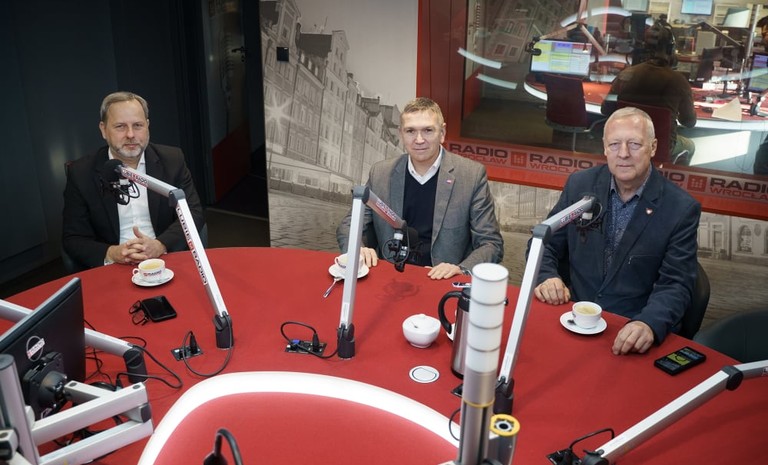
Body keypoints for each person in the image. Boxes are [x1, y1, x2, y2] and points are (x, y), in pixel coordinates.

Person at [532, 107, 701, 355]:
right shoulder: (580, 185)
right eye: (614, 144)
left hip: (629, 329)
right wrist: (547, 276)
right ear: (604, 148)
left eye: (634, 144)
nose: (623, 153)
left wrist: (648, 323)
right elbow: (543, 242)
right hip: (574, 317)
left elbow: (677, 283)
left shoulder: (680, 208)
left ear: (653, 147)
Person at [336, 97, 503, 280]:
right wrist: (358, 249)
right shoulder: (380, 173)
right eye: (410, 131)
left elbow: (491, 243)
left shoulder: (471, 176)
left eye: (428, 130)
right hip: (389, 278)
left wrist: (461, 270)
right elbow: (349, 225)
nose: (419, 140)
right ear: (401, 134)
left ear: (442, 133)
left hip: (441, 282)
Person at [62, 91, 205, 270]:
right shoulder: (81, 172)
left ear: (147, 126)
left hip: (164, 259)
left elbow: (193, 212)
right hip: (113, 267)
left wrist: (160, 244)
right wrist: (112, 253)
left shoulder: (172, 160)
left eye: (138, 125)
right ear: (103, 130)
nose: (130, 134)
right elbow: (73, 237)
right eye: (120, 126)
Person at [601, 19, 696, 162]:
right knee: (690, 145)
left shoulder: (626, 75)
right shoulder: (679, 81)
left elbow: (606, 109)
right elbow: (689, 122)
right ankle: (668, 176)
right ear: (670, 51)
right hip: (659, 147)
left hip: (624, 144)